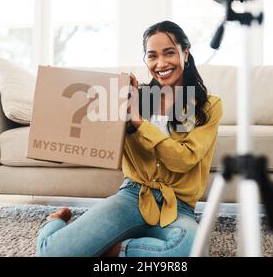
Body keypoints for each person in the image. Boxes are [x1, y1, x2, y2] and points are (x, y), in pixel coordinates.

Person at [36, 20, 223, 257]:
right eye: (152, 56)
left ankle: (114, 251)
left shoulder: (206, 105)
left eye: (169, 53)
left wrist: (140, 123)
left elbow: (183, 160)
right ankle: (55, 221)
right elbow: (90, 136)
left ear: (185, 53)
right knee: (51, 254)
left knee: (193, 252)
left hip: (177, 206)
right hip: (133, 196)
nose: (161, 63)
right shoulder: (136, 98)